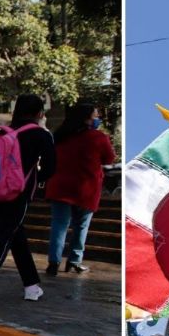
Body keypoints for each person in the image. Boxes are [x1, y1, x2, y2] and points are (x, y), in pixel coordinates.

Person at [0, 94, 56, 305]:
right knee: (4, 237)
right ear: (39, 113)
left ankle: (32, 286)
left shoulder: (4, 131)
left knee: (16, 236)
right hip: (19, 192)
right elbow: (51, 167)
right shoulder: (41, 135)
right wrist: (36, 178)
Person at [44, 104, 116, 275]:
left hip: (60, 186)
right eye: (95, 115)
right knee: (81, 227)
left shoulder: (59, 136)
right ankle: (75, 261)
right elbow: (109, 159)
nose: (97, 118)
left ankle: (53, 263)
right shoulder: (98, 137)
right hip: (85, 188)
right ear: (86, 118)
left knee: (59, 226)